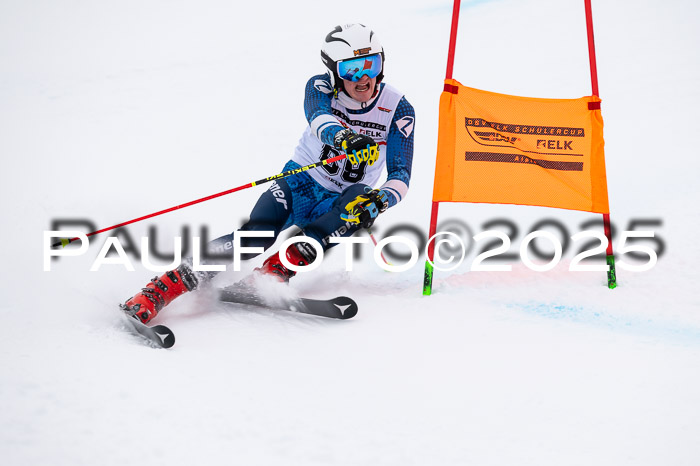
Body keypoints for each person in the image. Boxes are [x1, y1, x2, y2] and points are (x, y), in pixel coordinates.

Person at [122, 23, 415, 324]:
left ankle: (273, 273)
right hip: (301, 183)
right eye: (351, 69)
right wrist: (344, 138)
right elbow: (319, 118)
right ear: (334, 71)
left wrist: (381, 200)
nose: (363, 77)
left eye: (371, 64)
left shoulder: (397, 109)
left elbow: (400, 174)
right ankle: (160, 290)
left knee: (359, 202)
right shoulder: (320, 87)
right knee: (254, 238)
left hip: (340, 201)